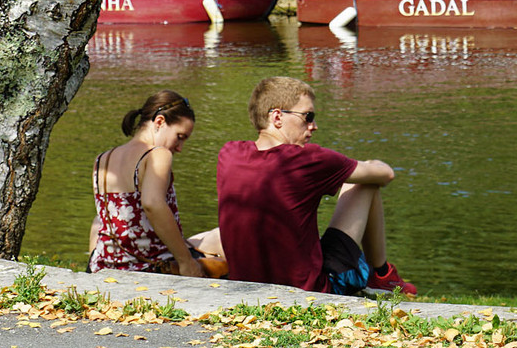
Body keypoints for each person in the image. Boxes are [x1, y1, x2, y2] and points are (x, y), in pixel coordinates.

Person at [216, 76, 415, 295]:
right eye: (307, 116)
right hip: (312, 291)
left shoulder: (229, 154)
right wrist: (371, 164)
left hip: (246, 287)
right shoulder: (308, 159)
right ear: (277, 117)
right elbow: (386, 174)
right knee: (365, 184)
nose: (314, 126)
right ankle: (382, 275)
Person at [90, 89, 219, 277]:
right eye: (180, 137)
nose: (180, 148)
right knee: (223, 240)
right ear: (160, 122)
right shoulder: (157, 154)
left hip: (106, 264)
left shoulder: (103, 158)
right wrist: (186, 263)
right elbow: (152, 204)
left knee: (210, 237)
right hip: (148, 266)